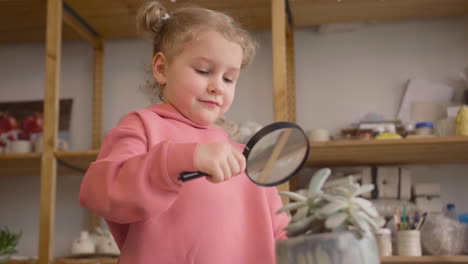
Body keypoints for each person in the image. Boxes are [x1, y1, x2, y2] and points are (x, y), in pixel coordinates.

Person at [79, 1, 289, 263]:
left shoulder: (241, 156)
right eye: (203, 71)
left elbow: (280, 231)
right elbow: (99, 192)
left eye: (229, 78)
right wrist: (179, 160)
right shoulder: (143, 126)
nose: (217, 87)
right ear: (161, 68)